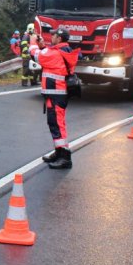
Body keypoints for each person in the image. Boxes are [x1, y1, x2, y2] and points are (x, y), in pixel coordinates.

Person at [29, 28, 79, 169]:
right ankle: (58, 152)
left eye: (54, 35)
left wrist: (33, 43)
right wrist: (43, 45)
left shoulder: (55, 53)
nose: (52, 37)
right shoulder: (61, 51)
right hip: (55, 94)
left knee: (57, 124)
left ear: (59, 38)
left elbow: (36, 55)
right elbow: (47, 54)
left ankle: (65, 157)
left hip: (56, 94)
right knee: (55, 123)